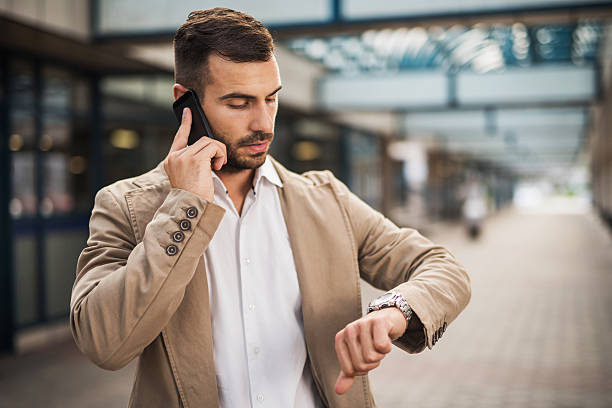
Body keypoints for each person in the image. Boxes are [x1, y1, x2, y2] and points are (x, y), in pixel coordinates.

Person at [70, 8, 470, 408]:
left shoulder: (327, 200)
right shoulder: (126, 206)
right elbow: (105, 344)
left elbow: (443, 268)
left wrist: (393, 313)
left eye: (271, 99)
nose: (264, 123)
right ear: (185, 102)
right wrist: (185, 208)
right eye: (239, 102)